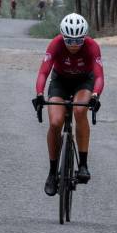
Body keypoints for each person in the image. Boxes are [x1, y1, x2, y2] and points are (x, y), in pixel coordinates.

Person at [33, 13, 104, 196]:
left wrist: (95, 95)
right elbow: (43, 73)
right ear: (62, 36)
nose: (73, 45)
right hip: (60, 81)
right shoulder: (55, 44)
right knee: (55, 122)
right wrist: (40, 93)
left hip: (83, 81)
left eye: (78, 40)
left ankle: (83, 164)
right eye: (69, 40)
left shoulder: (92, 46)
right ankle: (51, 172)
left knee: (80, 111)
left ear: (85, 37)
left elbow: (99, 76)